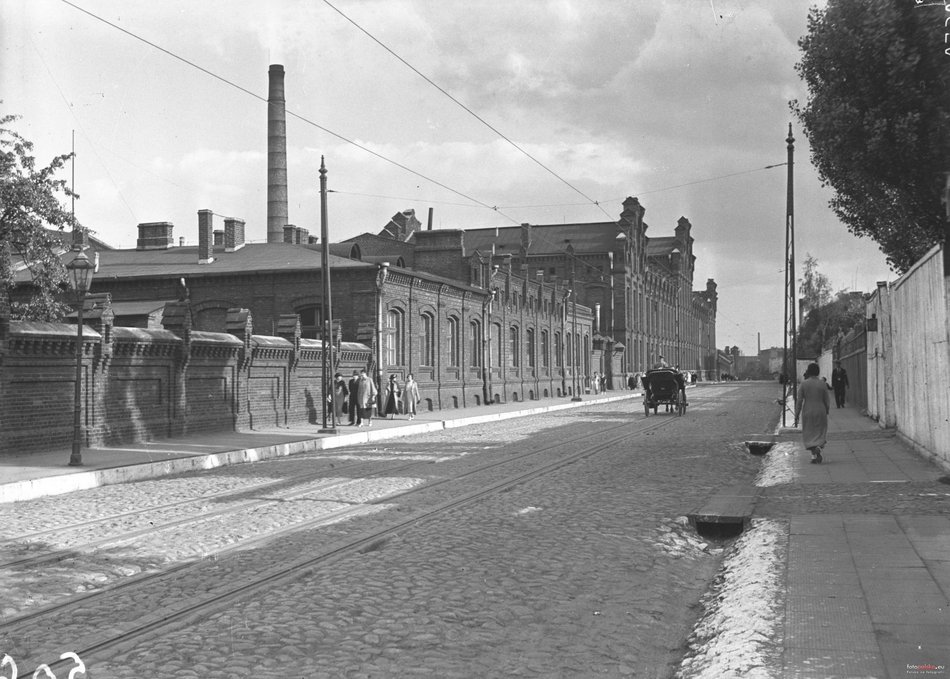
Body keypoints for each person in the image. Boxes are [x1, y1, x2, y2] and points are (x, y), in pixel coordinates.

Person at [795, 362, 830, 464]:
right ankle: (817, 449)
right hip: (820, 410)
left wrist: (797, 414)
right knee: (820, 431)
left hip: (808, 411)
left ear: (808, 372)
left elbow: (799, 401)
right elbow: (827, 400)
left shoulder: (804, 384)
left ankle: (814, 454)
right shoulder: (822, 384)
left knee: (809, 433)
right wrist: (826, 410)